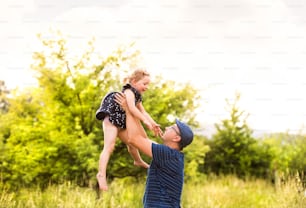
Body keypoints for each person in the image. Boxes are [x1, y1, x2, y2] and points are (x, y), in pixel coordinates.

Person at [115, 92, 194, 208]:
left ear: (176, 138)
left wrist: (128, 110)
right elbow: (143, 139)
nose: (166, 127)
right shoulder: (170, 155)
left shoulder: (167, 155)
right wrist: (135, 110)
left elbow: (134, 138)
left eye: (171, 128)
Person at [95, 69, 161, 191]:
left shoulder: (138, 95)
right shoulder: (129, 91)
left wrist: (152, 123)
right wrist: (144, 121)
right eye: (144, 84)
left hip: (123, 119)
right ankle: (101, 174)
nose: (146, 87)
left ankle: (137, 160)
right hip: (111, 118)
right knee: (109, 146)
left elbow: (143, 111)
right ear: (134, 81)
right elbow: (131, 108)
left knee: (133, 141)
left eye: (148, 85)